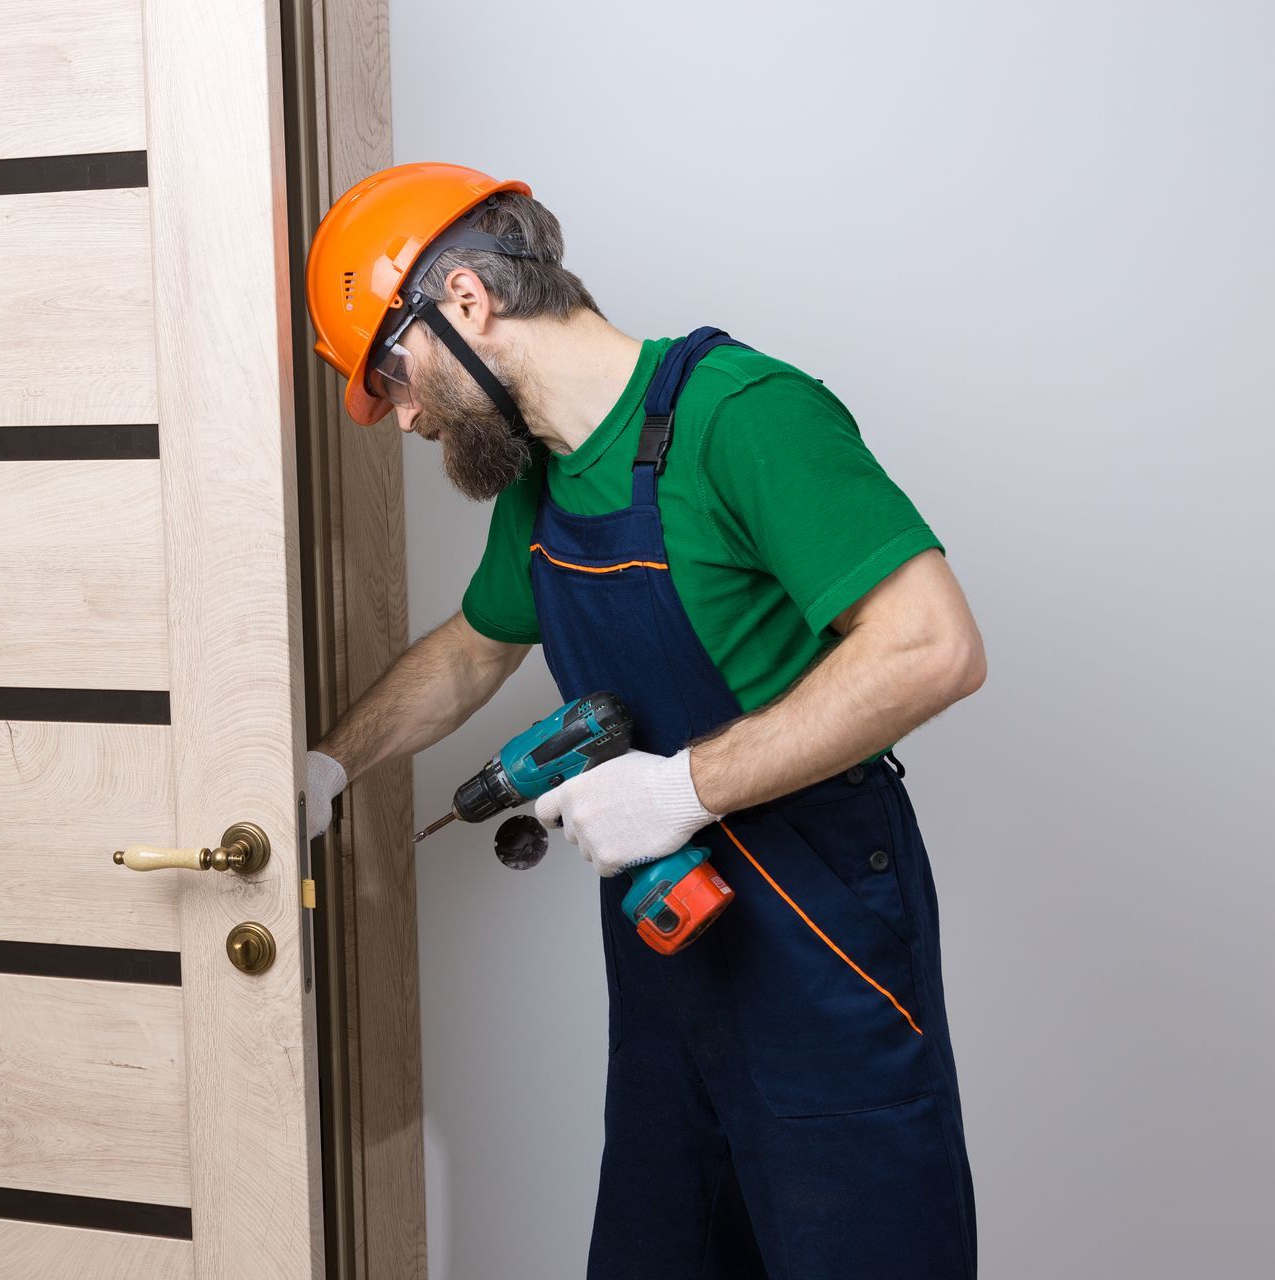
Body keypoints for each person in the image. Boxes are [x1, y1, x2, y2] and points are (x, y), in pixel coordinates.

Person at [302, 162, 984, 1279]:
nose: (407, 413)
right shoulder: (541, 478)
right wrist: (328, 763)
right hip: (671, 949)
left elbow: (933, 645)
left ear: (465, 302)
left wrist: (678, 789)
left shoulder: (742, 415)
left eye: (396, 370)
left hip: (821, 931)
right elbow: (474, 649)